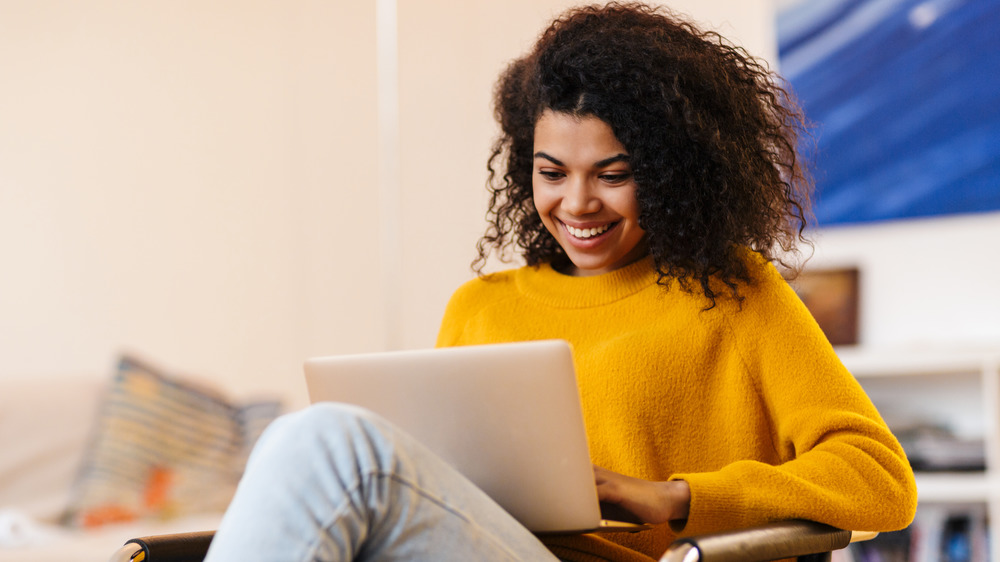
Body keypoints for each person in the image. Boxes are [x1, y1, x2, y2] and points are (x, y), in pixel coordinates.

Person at [204, 3, 917, 561]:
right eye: (552, 173)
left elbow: (881, 481)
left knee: (328, 441)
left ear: (671, 173)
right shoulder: (480, 308)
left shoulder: (732, 294)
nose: (576, 204)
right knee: (314, 445)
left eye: (614, 174)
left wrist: (677, 497)